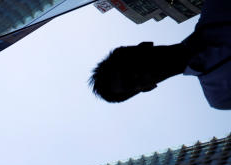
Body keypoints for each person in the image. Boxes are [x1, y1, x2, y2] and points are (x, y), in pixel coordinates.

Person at [89, 0, 231, 110]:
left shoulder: (218, 5)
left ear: (143, 46)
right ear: (147, 88)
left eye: (129, 68)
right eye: (131, 83)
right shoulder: (220, 96)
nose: (138, 74)